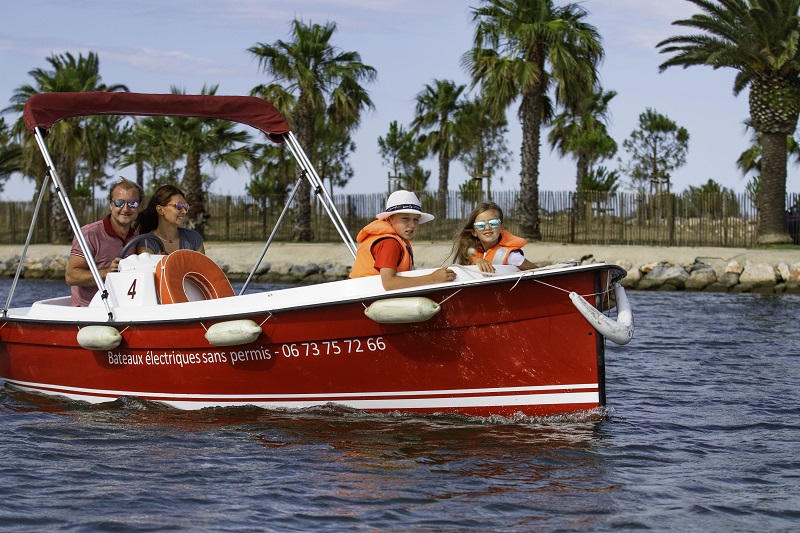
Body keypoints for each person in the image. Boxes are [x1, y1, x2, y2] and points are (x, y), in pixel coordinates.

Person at [350, 190, 456, 290]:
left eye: (416, 220)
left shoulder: (393, 240)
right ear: (389, 219)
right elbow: (389, 283)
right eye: (405, 218)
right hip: (364, 298)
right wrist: (432, 279)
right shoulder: (389, 243)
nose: (412, 225)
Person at [65, 177, 143, 306]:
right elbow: (71, 276)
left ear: (139, 206)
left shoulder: (137, 237)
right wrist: (107, 272)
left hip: (121, 309)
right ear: (111, 204)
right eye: (119, 203)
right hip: (87, 311)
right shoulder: (89, 233)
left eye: (132, 204)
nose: (125, 209)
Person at [451, 202, 539, 273]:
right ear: (474, 232)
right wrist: (477, 261)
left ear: (501, 227)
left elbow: (538, 272)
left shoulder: (512, 257)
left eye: (493, 223)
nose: (488, 227)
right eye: (480, 225)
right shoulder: (470, 253)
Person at [133, 185, 204, 255]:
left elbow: (202, 266)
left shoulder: (193, 238)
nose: (184, 211)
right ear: (160, 210)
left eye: (185, 207)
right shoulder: (147, 243)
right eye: (178, 206)